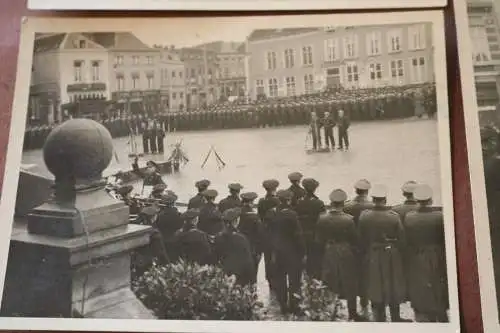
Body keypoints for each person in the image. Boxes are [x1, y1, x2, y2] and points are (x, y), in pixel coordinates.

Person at [358, 185, 409, 322]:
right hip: (391, 254)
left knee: (375, 285)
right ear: (385, 200)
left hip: (373, 254)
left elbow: (360, 238)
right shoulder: (394, 217)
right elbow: (402, 240)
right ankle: (396, 317)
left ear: (373, 199)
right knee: (393, 284)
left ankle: (379, 318)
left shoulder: (365, 216)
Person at [404, 185, 449, 322]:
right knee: (437, 283)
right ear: (430, 200)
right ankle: (440, 311)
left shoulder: (409, 216)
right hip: (437, 254)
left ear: (417, 200)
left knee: (421, 283)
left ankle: (423, 311)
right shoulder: (440, 216)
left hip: (418, 255)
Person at [316, 189, 360, 321]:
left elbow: (318, 240)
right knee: (349, 280)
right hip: (345, 250)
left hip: (329, 249)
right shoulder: (348, 220)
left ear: (331, 202)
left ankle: (330, 311)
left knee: (329, 280)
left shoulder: (322, 218)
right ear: (343, 204)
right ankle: (352, 313)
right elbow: (355, 239)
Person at [269, 189, 305, 315]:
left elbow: (267, 233)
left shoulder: (272, 213)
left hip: (277, 252)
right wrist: (302, 252)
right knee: (294, 280)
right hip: (292, 252)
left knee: (280, 279)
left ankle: (283, 305)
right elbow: (298, 235)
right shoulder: (292, 215)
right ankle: (294, 306)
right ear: (289, 200)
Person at [214, 208, 256, 286]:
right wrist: (253, 281)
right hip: (240, 277)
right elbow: (248, 261)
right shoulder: (241, 238)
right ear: (235, 222)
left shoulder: (218, 237)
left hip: (223, 275)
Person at [295, 177, 326, 279]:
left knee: (302, 262)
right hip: (315, 236)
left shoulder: (299, 202)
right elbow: (322, 222)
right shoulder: (319, 203)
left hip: (302, 235)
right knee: (315, 262)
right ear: (315, 189)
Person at [131, 205, 169, 280]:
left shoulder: (137, 230)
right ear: (153, 217)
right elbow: (160, 251)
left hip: (138, 261)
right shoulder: (154, 233)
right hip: (149, 263)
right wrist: (167, 263)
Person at [257, 179, 281, 290]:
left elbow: (260, 217)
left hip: (265, 233)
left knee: (267, 257)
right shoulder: (278, 201)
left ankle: (270, 280)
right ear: (275, 189)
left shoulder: (261, 201)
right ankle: (276, 279)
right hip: (276, 233)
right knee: (276, 257)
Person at [239, 191, 265, 283]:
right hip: (252, 248)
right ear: (251, 202)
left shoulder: (238, 214)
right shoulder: (254, 216)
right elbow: (260, 234)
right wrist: (260, 250)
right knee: (253, 274)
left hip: (241, 247)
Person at [156, 191, 184, 260]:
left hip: (163, 240)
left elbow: (158, 225)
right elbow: (180, 226)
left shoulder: (160, 215)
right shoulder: (177, 214)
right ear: (173, 203)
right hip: (175, 240)